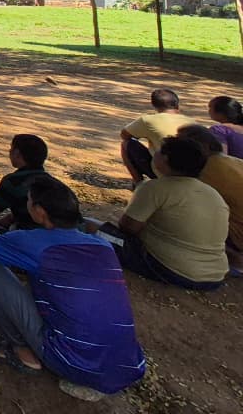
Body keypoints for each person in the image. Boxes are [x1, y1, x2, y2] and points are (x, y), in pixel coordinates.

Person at [0, 176, 146, 400]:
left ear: (39, 212)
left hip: (71, 362)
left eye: (29, 201)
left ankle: (22, 352)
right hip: (127, 365)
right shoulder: (102, 245)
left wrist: (5, 243)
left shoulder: (32, 241)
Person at [96, 135, 228, 289]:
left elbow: (127, 228)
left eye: (158, 150)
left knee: (91, 226)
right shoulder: (212, 193)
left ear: (165, 158)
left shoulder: (154, 188)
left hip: (172, 271)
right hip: (216, 276)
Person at [178, 125, 243, 274]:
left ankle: (234, 258)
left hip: (237, 235)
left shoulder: (206, 169)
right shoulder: (235, 161)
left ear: (203, 147)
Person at [0, 134, 49, 237]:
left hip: (29, 239)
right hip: (57, 238)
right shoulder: (52, 182)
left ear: (17, 153)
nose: (9, 152)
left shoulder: (14, 181)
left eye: (11, 149)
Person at [120, 87, 193, 186]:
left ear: (154, 105)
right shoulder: (192, 122)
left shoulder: (148, 120)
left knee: (126, 144)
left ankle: (139, 183)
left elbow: (124, 135)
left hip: (163, 171)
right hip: (192, 174)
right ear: (177, 104)